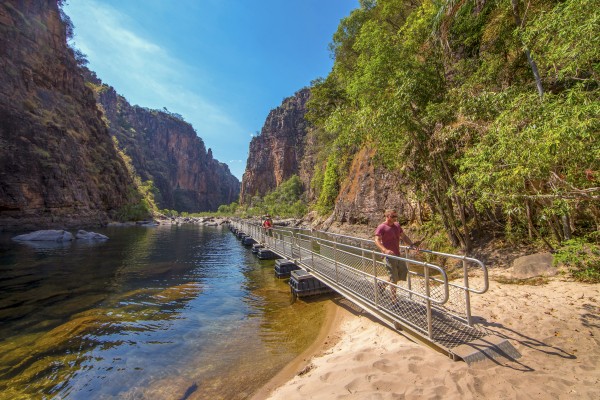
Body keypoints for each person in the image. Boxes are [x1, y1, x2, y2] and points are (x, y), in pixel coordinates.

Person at [374, 209, 418, 289]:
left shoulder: (397, 225)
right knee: (394, 279)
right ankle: (393, 300)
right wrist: (385, 250)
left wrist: (412, 245)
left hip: (397, 254)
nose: (395, 218)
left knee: (401, 273)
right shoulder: (381, 227)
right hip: (388, 256)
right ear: (387, 217)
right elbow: (376, 240)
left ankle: (382, 285)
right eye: (393, 216)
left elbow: (403, 236)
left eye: (396, 216)